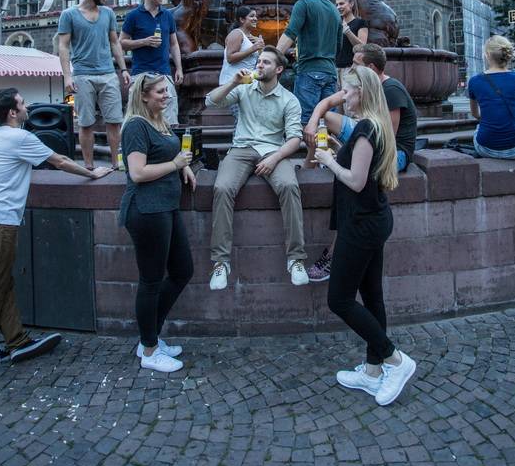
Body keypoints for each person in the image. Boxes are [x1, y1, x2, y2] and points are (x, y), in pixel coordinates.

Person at [0, 88, 112, 370]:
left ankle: (17, 341)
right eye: (22, 103)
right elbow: (60, 160)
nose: (27, 106)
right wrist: (92, 172)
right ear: (12, 112)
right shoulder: (19, 137)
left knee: (0, 284)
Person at [313, 65, 416, 407]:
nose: (343, 97)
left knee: (339, 300)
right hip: (373, 219)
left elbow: (355, 181)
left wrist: (328, 159)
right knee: (372, 297)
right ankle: (373, 371)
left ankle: (395, 361)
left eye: (347, 91)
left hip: (361, 225)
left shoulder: (366, 128)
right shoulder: (374, 126)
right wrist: (340, 151)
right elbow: (366, 172)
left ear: (362, 92)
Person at [305, 41, 417, 282]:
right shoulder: (363, 93)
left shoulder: (392, 91)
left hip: (395, 152)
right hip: (369, 137)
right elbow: (325, 105)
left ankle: (333, 254)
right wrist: (313, 122)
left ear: (370, 69)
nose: (350, 67)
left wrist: (341, 158)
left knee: (351, 186)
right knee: (329, 121)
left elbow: (386, 141)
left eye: (355, 64)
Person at [205, 46, 308, 290]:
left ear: (279, 69)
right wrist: (233, 82)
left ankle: (296, 259)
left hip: (274, 150)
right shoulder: (243, 88)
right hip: (241, 149)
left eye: (266, 63)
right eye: (259, 61)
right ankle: (221, 263)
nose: (259, 65)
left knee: (290, 186)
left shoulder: (289, 100)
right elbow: (211, 101)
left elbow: (295, 138)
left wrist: (274, 159)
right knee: (221, 188)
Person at [119, 73, 196, 374]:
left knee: (182, 271)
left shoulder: (157, 122)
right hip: (147, 210)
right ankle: (149, 349)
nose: (167, 95)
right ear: (144, 95)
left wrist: (183, 169)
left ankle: (150, 335)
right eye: (161, 92)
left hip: (166, 207)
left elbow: (166, 156)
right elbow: (137, 172)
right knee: (151, 280)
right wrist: (175, 165)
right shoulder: (136, 126)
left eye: (167, 91)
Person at [58, 0, 131, 169]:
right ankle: (89, 166)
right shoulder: (69, 14)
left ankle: (117, 164)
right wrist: (67, 76)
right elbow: (63, 47)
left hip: (108, 74)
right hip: (82, 75)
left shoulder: (108, 13)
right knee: (86, 123)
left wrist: (123, 69)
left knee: (115, 121)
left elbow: (115, 42)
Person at [276, 0, 342, 124]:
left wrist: (273, 56)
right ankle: (326, 149)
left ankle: (311, 149)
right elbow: (338, 46)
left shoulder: (303, 4)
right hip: (330, 72)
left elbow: (290, 33)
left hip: (309, 71)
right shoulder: (334, 10)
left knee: (306, 122)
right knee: (328, 122)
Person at [119, 0, 183, 125]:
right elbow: (121, 43)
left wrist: (179, 68)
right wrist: (144, 42)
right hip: (141, 74)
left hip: (164, 73)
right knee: (137, 118)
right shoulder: (133, 16)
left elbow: (174, 44)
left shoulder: (167, 15)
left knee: (170, 119)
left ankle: (168, 145)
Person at [468, 35, 515, 159]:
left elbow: (475, 114)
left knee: (479, 128)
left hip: (485, 148)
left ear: (487, 55)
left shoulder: (474, 81)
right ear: (507, 54)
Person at [219, 6, 265, 86]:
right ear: (242, 19)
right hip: (231, 84)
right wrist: (253, 48)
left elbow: (258, 62)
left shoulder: (253, 38)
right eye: (252, 16)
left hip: (246, 83)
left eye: (255, 16)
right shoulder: (236, 33)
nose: (255, 19)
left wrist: (261, 48)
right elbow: (230, 58)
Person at [335, 0, 368, 80]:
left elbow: (362, 47)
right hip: (335, 69)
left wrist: (348, 32)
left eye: (341, 4)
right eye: (337, 5)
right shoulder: (337, 24)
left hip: (351, 69)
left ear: (351, 4)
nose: (338, 7)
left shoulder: (360, 23)